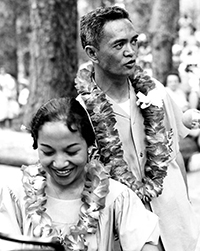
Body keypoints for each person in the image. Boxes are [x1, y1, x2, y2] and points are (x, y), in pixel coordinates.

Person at [75, 6, 200, 251]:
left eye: (134, 41)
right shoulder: (81, 112)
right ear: (92, 53)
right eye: (119, 45)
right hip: (127, 235)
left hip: (176, 227)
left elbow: (175, 158)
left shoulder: (156, 91)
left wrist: (184, 205)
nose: (131, 52)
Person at [0, 97, 160, 251]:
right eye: (48, 152)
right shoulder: (15, 195)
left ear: (88, 146)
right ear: (37, 146)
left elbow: (145, 245)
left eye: (71, 151)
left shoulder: (116, 197)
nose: (60, 163)